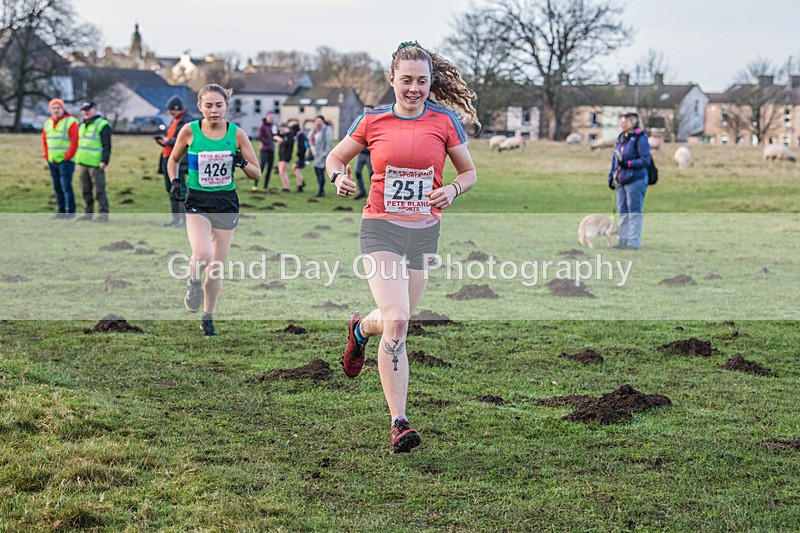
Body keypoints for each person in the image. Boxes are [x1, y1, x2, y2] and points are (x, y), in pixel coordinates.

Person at [326, 41, 478, 453]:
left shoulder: (444, 120)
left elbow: (469, 172)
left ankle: (360, 329)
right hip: (381, 229)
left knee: (398, 319)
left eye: (422, 81)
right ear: (392, 79)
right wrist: (338, 177)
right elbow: (335, 159)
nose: (414, 89)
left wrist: (452, 189)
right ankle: (399, 422)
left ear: (431, 82)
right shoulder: (372, 119)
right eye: (406, 80)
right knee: (397, 321)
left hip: (424, 232)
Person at [167, 84, 261, 336]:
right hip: (197, 201)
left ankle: (208, 318)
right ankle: (193, 282)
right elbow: (172, 159)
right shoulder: (190, 131)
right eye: (208, 105)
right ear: (200, 107)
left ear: (226, 107)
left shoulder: (236, 134)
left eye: (219, 105)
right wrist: (175, 181)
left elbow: (257, 173)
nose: (214, 110)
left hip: (226, 202)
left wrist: (241, 162)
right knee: (202, 254)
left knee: (216, 267)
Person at [607, 112, 650, 250]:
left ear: (632, 123)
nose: (622, 124)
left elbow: (645, 160)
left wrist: (628, 164)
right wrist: (611, 176)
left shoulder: (640, 139)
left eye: (624, 122)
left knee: (634, 211)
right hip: (621, 180)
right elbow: (615, 159)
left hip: (635, 179)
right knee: (623, 211)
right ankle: (623, 240)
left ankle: (633, 242)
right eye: (621, 122)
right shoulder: (621, 139)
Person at [157, 95, 191, 227]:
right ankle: (175, 219)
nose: (170, 113)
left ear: (178, 108)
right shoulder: (174, 121)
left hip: (179, 161)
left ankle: (184, 220)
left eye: (172, 110)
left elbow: (183, 140)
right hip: (168, 158)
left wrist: (168, 141)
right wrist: (164, 142)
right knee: (171, 189)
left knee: (181, 189)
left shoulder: (187, 122)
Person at [42, 98, 79, 219]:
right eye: (54, 108)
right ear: (50, 110)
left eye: (58, 108)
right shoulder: (47, 123)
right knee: (57, 187)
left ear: (63, 109)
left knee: (66, 186)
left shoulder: (71, 122)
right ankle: (61, 211)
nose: (56, 110)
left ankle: (71, 212)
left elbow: (75, 140)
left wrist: (68, 156)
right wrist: (47, 156)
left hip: (65, 161)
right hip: (52, 160)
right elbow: (44, 141)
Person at [74, 102, 112, 222]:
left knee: (99, 190)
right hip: (83, 161)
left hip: (96, 163)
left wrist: (104, 160)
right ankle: (88, 213)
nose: (86, 112)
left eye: (88, 110)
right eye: (84, 110)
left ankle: (103, 214)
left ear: (95, 110)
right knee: (85, 190)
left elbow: (107, 145)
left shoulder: (103, 125)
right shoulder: (82, 125)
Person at [310, 115, 333, 197]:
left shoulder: (327, 130)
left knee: (320, 172)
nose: (318, 122)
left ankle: (321, 191)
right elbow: (310, 139)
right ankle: (320, 190)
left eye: (320, 121)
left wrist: (324, 154)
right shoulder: (314, 130)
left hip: (323, 155)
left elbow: (329, 144)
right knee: (317, 171)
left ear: (323, 121)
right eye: (316, 121)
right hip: (316, 155)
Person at [256, 112, 276, 190]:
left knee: (270, 168)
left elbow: (274, 136)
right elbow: (259, 136)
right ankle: (255, 184)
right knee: (262, 166)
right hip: (264, 149)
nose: (271, 118)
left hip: (271, 150)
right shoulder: (263, 126)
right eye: (270, 117)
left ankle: (265, 186)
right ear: (267, 117)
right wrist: (267, 142)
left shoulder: (273, 127)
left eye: (272, 117)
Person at [275, 122, 294, 192]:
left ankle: (286, 187)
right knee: (281, 172)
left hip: (286, 156)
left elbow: (287, 144)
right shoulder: (284, 135)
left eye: (281, 129)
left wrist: (280, 140)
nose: (281, 131)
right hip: (281, 155)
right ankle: (285, 186)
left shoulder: (290, 136)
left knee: (282, 171)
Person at [291, 122, 307, 192]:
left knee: (296, 169)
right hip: (302, 157)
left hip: (302, 157)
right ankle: (302, 182)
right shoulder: (301, 136)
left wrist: (300, 155)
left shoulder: (301, 137)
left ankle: (300, 186)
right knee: (294, 168)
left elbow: (302, 147)